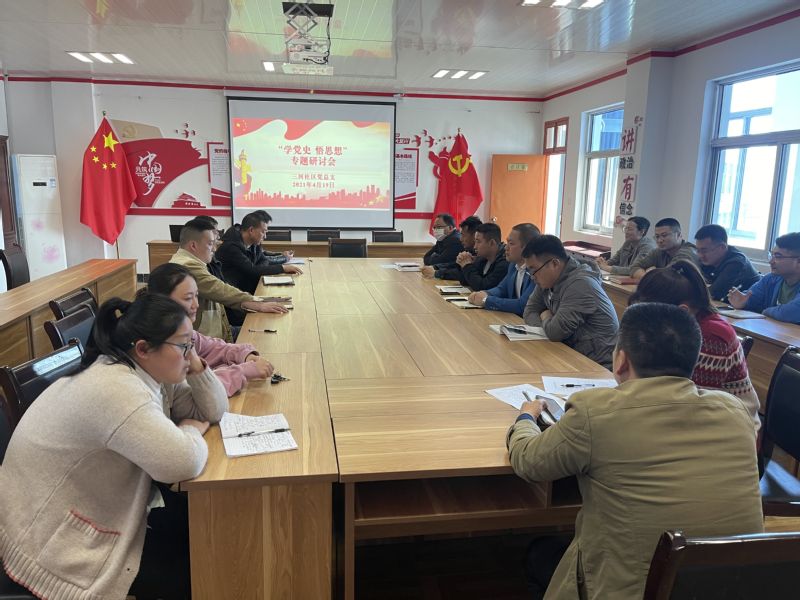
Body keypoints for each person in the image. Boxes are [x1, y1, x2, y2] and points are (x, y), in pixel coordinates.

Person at [507, 303, 763, 599]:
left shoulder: (595, 411)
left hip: (634, 591)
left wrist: (526, 417)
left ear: (620, 361)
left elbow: (528, 462)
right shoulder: (735, 411)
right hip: (730, 586)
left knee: (539, 553)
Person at [0, 294, 228, 600]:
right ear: (143, 349)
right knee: (206, 566)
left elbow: (212, 410)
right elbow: (183, 462)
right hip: (51, 541)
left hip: (88, 508)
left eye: (192, 344)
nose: (190, 354)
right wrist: (189, 430)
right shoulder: (117, 389)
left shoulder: (148, 370)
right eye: (184, 345)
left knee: (210, 531)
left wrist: (195, 364)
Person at [629, 260, 760, 431]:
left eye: (648, 314)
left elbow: (694, 406)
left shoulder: (711, 337)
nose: (644, 321)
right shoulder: (679, 327)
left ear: (682, 311)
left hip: (731, 429)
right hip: (689, 416)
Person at [147, 262, 275, 397]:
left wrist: (245, 355)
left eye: (196, 296)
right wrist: (242, 371)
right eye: (188, 298)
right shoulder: (161, 343)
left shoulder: (185, 332)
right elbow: (192, 391)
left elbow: (216, 348)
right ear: (163, 301)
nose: (196, 304)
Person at [169, 218, 288, 342]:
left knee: (267, 329)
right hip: (207, 340)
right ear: (193, 245)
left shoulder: (191, 261)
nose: (214, 249)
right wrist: (258, 303)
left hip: (220, 329)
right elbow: (219, 289)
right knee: (267, 337)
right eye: (210, 244)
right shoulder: (187, 266)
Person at [522, 235, 618, 368]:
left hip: (596, 365)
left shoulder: (581, 284)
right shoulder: (546, 280)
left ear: (555, 264)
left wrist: (546, 316)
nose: (532, 277)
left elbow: (555, 332)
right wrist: (548, 325)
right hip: (569, 354)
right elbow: (529, 311)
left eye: (534, 270)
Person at [216, 211, 303, 296]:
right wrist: (283, 268)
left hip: (249, 289)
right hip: (234, 296)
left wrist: (257, 268)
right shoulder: (231, 247)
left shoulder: (254, 242)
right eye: (263, 232)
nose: (265, 236)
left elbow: (264, 261)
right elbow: (252, 270)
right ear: (251, 230)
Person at [468, 222, 540, 315]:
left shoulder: (537, 271)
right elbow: (502, 289)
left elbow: (523, 305)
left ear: (527, 247)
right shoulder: (513, 265)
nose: (506, 247)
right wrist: (485, 293)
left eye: (511, 243)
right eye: (507, 242)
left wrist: (486, 300)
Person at [728, 232, 800, 324]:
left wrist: (765, 311)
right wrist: (743, 303)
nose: (771, 261)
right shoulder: (770, 279)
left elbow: (789, 313)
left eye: (778, 256)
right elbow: (751, 298)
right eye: (771, 255)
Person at [694, 224, 760, 301]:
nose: (700, 255)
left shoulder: (736, 263)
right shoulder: (707, 261)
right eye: (698, 250)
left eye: (704, 251)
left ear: (722, 247)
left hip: (750, 306)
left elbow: (714, 293)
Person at [630, 217, 700, 280]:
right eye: (657, 236)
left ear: (678, 235)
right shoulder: (659, 251)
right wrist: (646, 277)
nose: (660, 240)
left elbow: (668, 276)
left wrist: (651, 277)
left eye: (664, 235)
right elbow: (634, 267)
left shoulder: (688, 252)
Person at [421, 215, 481, 279]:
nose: (461, 239)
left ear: (475, 236)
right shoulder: (470, 250)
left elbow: (461, 273)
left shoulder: (455, 240)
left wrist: (437, 273)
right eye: (434, 227)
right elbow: (456, 264)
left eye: (463, 235)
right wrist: (436, 267)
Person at [457, 222, 509, 290]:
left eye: (478, 242)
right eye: (475, 242)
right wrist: (463, 263)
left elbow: (483, 286)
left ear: (492, 243)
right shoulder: (482, 258)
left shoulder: (504, 262)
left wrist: (467, 266)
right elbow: (465, 281)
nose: (475, 247)